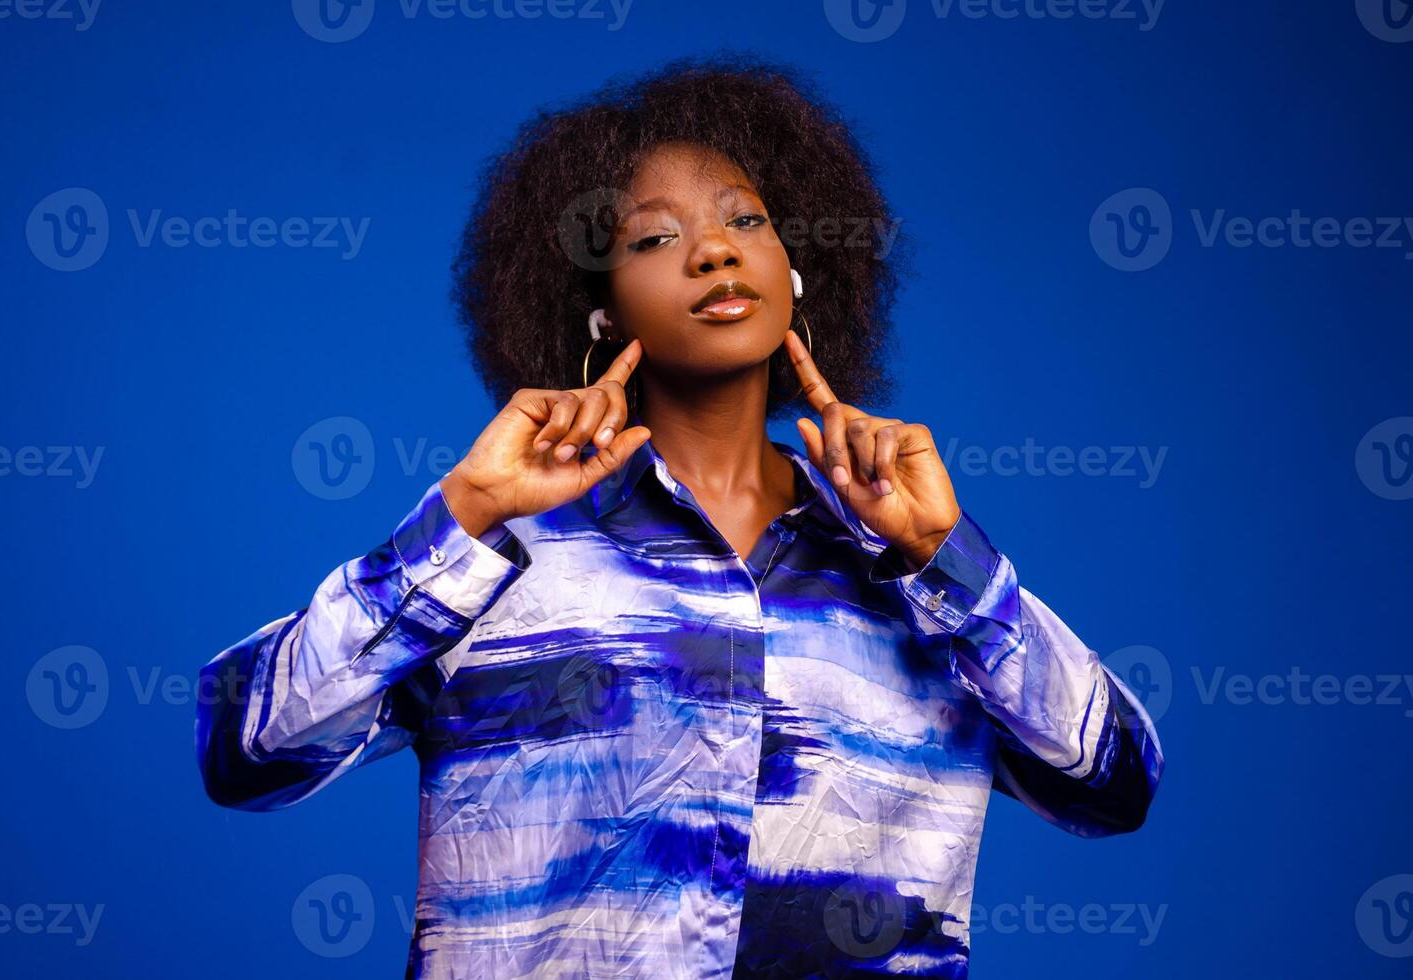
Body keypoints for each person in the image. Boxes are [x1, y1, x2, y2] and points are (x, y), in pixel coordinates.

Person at [195, 56, 1164, 979]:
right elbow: (247, 745)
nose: (712, 248)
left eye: (747, 219)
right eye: (654, 237)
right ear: (600, 313)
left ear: (794, 276)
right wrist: (462, 515)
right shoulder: (498, 564)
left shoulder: (911, 569)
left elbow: (1115, 779)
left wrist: (945, 560)